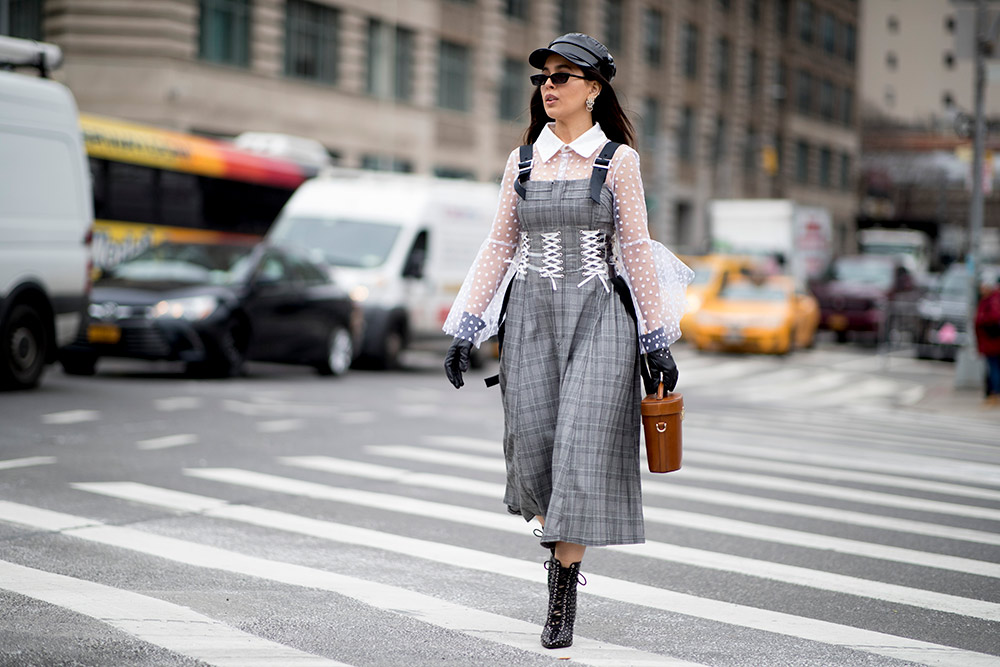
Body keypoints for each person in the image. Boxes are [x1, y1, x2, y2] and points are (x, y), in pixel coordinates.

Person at [442, 33, 693, 649]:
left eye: (561, 76)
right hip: (528, 320)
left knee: (581, 452)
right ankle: (556, 545)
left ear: (594, 89)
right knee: (531, 455)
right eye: (542, 78)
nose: (548, 87)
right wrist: (465, 327)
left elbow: (634, 249)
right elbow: (500, 245)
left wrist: (657, 339)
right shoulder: (522, 161)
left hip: (601, 321)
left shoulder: (618, 161)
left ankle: (562, 589)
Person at [975, 276, 1000, 404]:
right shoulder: (990, 299)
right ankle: (992, 393)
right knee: (993, 368)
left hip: (992, 342)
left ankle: (995, 394)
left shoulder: (993, 300)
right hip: (990, 342)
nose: (981, 289)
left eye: (984, 287)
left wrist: (983, 321)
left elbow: (993, 318)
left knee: (994, 368)